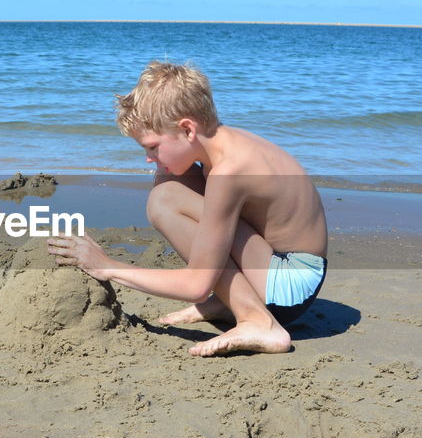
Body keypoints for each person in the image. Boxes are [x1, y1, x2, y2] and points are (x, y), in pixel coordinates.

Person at [47, 61, 327, 357]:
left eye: (152, 147)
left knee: (165, 201)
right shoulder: (221, 144)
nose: (147, 157)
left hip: (291, 285)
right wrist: (164, 162)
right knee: (170, 179)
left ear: (187, 129)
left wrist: (107, 266)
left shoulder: (229, 172)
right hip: (276, 262)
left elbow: (196, 284)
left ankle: (259, 321)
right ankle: (227, 300)